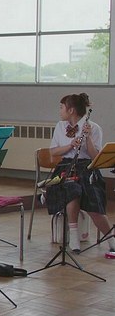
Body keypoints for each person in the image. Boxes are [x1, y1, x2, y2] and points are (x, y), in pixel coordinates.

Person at [45, 93, 115, 255]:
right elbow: (53, 151)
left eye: (61, 107)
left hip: (88, 168)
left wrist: (88, 138)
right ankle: (74, 237)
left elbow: (95, 156)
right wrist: (70, 145)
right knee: (72, 192)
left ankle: (111, 239)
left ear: (71, 110)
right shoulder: (60, 126)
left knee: (94, 205)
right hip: (66, 167)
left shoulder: (94, 128)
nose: (59, 111)